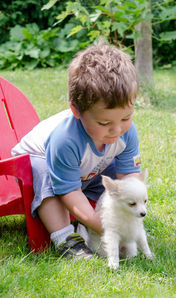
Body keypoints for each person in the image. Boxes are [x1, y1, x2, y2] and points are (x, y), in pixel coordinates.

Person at [11, 40, 141, 260]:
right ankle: (66, 240)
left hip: (83, 170)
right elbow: (67, 190)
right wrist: (94, 221)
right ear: (76, 110)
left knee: (117, 178)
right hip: (36, 165)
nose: (116, 130)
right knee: (46, 178)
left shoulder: (126, 132)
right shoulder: (65, 140)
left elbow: (130, 177)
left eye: (126, 118)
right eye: (103, 123)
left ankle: (87, 218)